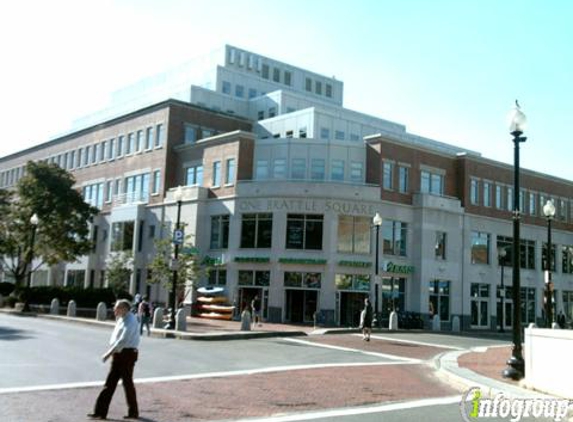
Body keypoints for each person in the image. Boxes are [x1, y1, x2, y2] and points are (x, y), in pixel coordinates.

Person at [88, 299, 140, 420]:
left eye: (117, 308)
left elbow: (123, 340)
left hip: (127, 354)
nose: (114, 310)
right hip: (119, 354)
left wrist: (108, 353)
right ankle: (100, 411)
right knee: (110, 384)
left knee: (127, 384)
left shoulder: (131, 320)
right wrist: (113, 351)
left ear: (125, 309)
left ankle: (133, 412)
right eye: (115, 307)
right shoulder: (121, 318)